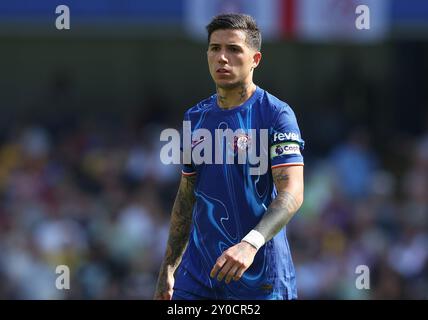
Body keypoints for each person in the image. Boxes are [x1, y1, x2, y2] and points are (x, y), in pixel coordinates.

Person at [154, 13, 305, 300]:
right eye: (215, 48)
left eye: (234, 49)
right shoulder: (195, 118)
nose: (222, 57)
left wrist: (250, 243)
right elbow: (187, 196)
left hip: (260, 278)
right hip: (199, 277)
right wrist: (168, 269)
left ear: (255, 59)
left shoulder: (275, 114)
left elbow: (292, 192)